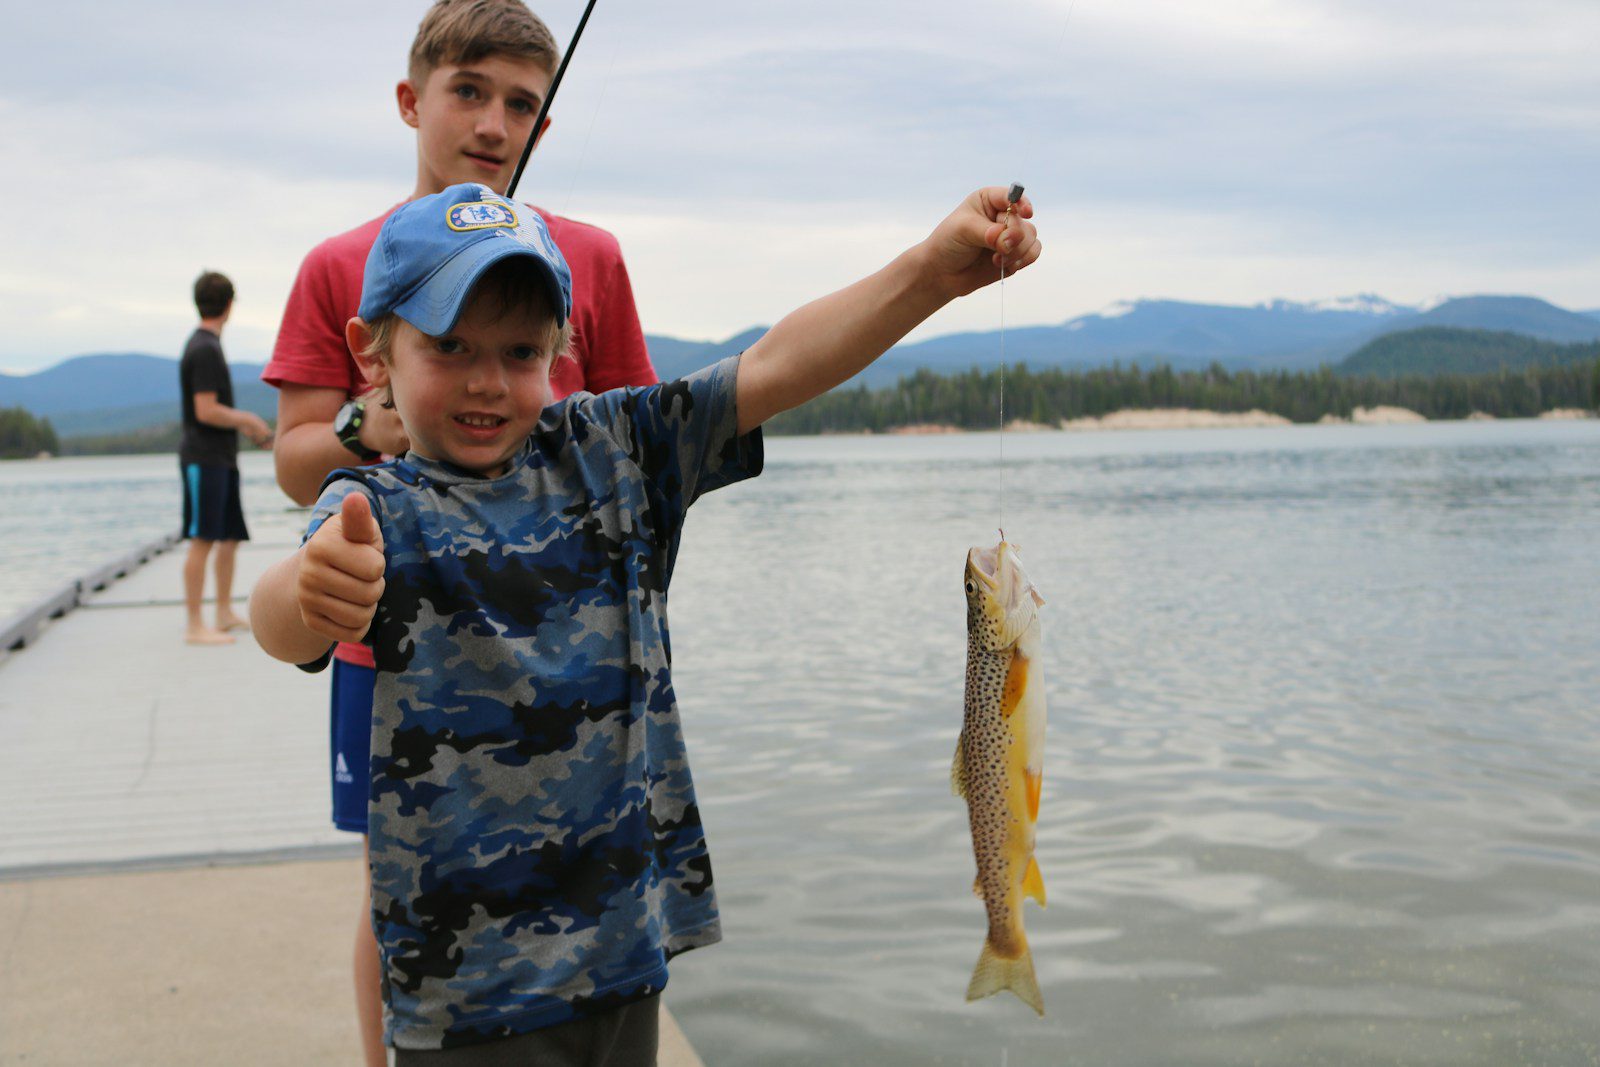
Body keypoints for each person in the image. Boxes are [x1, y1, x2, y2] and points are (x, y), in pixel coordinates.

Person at [249, 180, 1040, 1061]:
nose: (486, 380)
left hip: (624, 947)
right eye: (448, 345)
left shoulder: (615, 452)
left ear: (560, 346)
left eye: (519, 351)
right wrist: (310, 589)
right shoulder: (373, 506)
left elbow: (775, 367)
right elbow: (282, 625)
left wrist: (932, 272)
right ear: (374, 352)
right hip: (465, 983)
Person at [261, 3, 657, 1059]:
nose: (493, 123)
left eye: (521, 104)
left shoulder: (592, 258)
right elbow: (295, 446)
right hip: (392, 627)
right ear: (410, 102)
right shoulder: (338, 263)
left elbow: (643, 449)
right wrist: (364, 424)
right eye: (469, 92)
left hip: (569, 644)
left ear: (543, 124)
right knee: (395, 872)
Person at [178, 270, 272, 646]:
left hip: (223, 457)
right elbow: (205, 410)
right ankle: (194, 625)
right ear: (230, 305)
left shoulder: (209, 346)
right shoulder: (203, 348)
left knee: (229, 536)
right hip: (204, 457)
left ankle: (222, 611)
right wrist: (248, 420)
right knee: (203, 538)